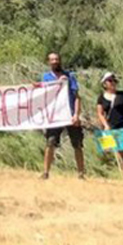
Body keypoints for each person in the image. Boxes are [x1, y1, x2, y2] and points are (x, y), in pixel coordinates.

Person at [41, 52, 85, 180]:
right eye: (52, 59)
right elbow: (43, 95)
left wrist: (76, 114)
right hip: (55, 116)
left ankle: (81, 173)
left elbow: (77, 97)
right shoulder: (46, 77)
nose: (55, 61)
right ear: (49, 62)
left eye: (57, 59)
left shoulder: (70, 76)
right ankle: (45, 172)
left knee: (77, 144)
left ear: (60, 60)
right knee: (50, 143)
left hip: (70, 115)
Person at [96, 72, 123, 183]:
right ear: (104, 84)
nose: (113, 83)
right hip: (114, 128)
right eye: (110, 80)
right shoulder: (101, 98)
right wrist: (106, 126)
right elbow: (100, 113)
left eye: (114, 80)